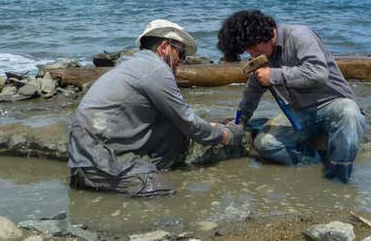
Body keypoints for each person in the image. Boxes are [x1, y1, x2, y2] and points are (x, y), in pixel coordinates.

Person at [68, 19, 244, 197]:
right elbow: (189, 122)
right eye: (181, 54)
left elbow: (180, 118)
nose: (182, 61)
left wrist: (211, 126)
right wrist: (226, 135)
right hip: (99, 162)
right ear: (164, 48)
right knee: (169, 193)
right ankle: (129, 179)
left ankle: (141, 171)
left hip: (87, 156)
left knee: (171, 125)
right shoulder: (156, 69)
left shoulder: (133, 64)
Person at [217, 10, 365, 183]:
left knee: (349, 112)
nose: (251, 54)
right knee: (265, 144)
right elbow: (250, 95)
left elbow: (318, 73)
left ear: (261, 35)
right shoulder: (262, 57)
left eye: (252, 47)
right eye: (247, 50)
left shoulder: (300, 36)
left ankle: (338, 178)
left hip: (335, 105)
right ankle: (315, 163)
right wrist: (238, 123)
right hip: (301, 113)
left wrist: (273, 75)